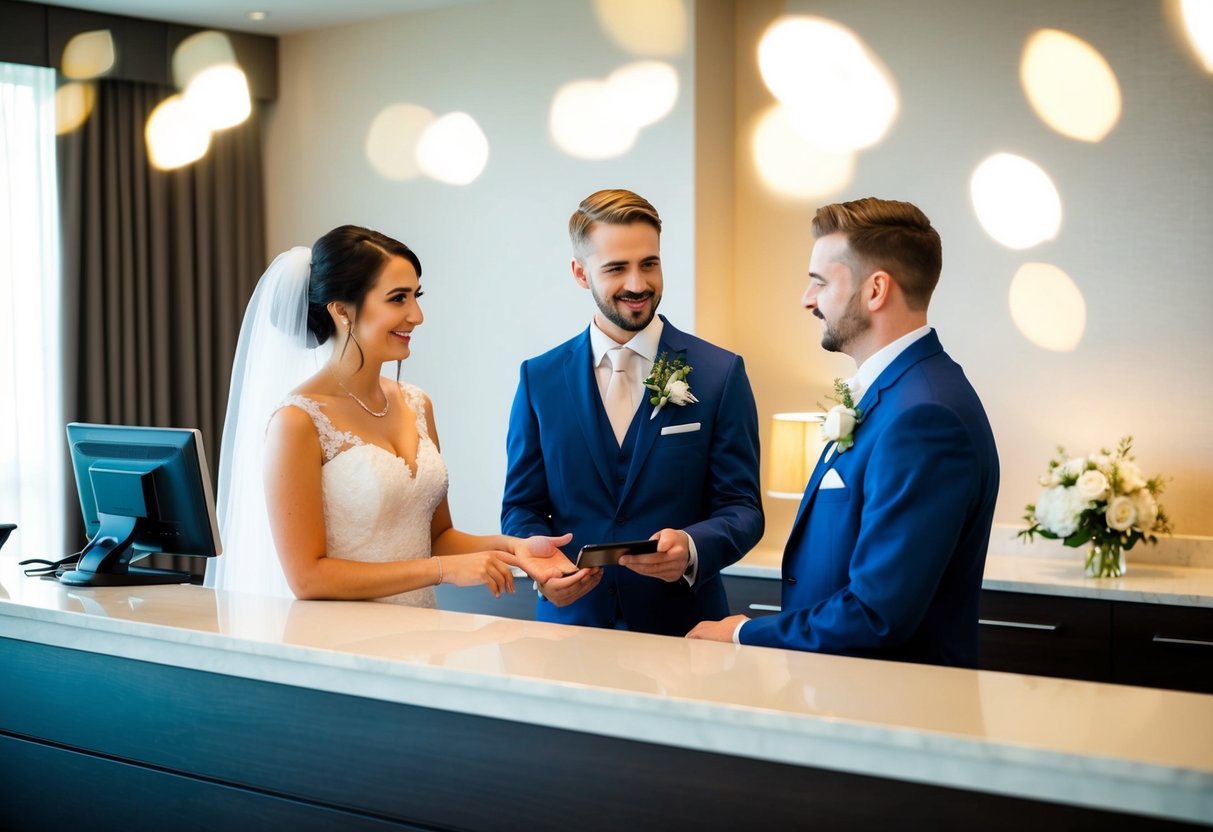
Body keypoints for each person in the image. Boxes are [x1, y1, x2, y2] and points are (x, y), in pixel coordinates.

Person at [688, 198, 999, 667]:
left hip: (893, 709)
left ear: (875, 290)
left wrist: (743, 633)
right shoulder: (899, 394)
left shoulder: (926, 416)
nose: (807, 299)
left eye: (819, 282)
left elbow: (878, 612)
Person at [205, 225, 571, 604]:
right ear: (342, 311)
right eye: (398, 299)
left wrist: (517, 548)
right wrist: (441, 571)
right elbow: (308, 578)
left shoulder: (417, 404)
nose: (417, 315)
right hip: (343, 642)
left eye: (417, 296)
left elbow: (437, 537)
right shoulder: (298, 421)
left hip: (420, 630)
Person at [501, 189, 764, 635]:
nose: (638, 285)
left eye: (649, 263)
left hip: (687, 632)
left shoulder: (721, 373)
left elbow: (743, 508)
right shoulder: (538, 379)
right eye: (616, 268)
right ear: (580, 273)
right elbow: (521, 508)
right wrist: (543, 570)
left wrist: (693, 547)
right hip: (569, 631)